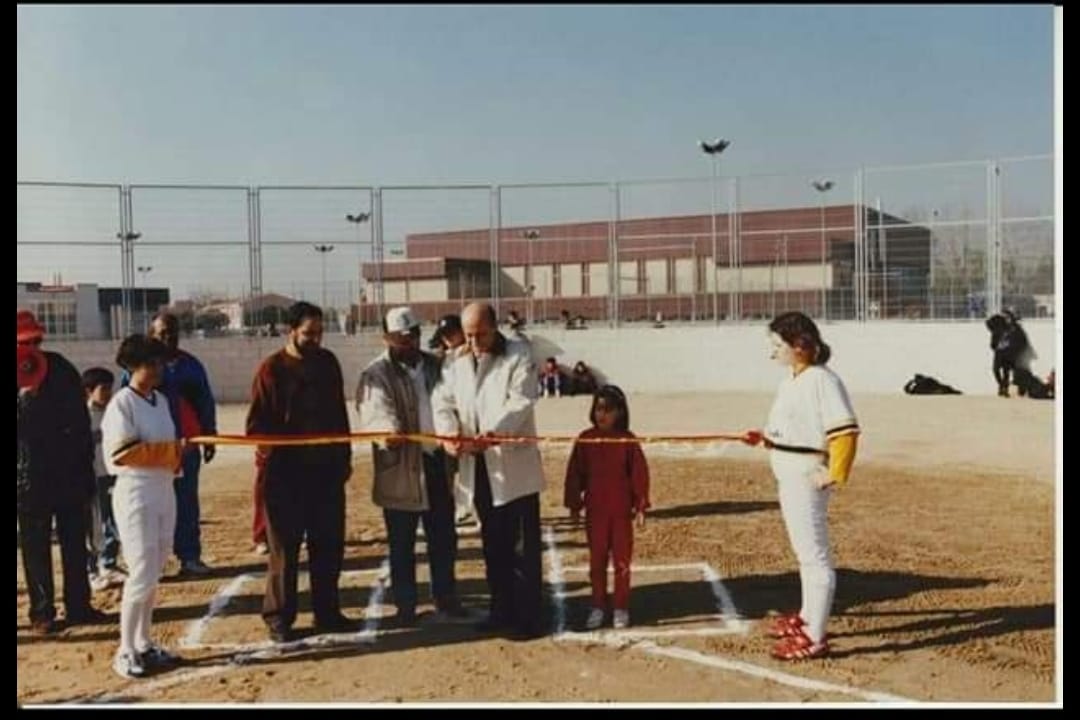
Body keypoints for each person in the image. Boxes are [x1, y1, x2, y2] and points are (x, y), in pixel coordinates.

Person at [742, 312, 860, 661]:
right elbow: (795, 428)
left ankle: (815, 635)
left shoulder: (822, 380)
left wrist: (834, 473)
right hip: (789, 470)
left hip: (805, 474)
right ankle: (808, 618)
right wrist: (766, 440)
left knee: (814, 555)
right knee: (804, 553)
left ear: (800, 346)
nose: (772, 353)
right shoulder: (793, 379)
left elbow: (846, 431)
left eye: (778, 345)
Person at [431, 302, 546, 640]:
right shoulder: (457, 362)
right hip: (478, 467)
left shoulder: (518, 356)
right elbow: (442, 402)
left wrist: (493, 433)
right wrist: (448, 433)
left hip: (514, 468)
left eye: (480, 333)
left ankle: (527, 617)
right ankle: (501, 610)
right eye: (468, 334)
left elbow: (522, 401)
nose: (474, 341)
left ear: (495, 328)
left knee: (522, 548)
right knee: (493, 544)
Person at [246, 302, 356, 642]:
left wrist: (344, 455)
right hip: (286, 476)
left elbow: (339, 413)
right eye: (309, 333)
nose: (316, 339)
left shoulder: (327, 363)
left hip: (326, 473)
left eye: (320, 333)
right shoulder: (271, 370)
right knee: (284, 551)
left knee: (328, 546)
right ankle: (279, 617)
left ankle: (328, 612)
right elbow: (256, 423)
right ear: (290, 330)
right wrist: (265, 445)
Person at [356, 307, 468, 625]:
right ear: (387, 339)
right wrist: (387, 431)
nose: (409, 344)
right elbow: (374, 409)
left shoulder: (437, 366)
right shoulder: (375, 374)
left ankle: (446, 598)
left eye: (413, 336)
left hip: (436, 464)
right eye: (401, 340)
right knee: (402, 543)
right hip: (400, 469)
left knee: (443, 537)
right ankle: (405, 607)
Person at [101, 334, 185, 678]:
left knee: (156, 566)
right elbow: (122, 453)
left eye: (160, 362)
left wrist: (176, 453)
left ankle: (144, 642)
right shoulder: (122, 403)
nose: (159, 368)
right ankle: (125, 648)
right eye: (152, 362)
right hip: (136, 492)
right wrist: (171, 451)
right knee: (141, 571)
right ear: (134, 366)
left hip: (164, 488)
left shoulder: (160, 401)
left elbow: (165, 445)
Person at [17, 310, 106, 635]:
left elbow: (81, 423)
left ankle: (79, 605)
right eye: (25, 342)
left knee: (73, 543)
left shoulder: (60, 368)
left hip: (67, 473)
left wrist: (85, 469)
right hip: (28, 479)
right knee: (35, 548)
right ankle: (42, 613)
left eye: (36, 341)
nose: (32, 348)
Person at [124, 313, 217, 577]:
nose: (168, 338)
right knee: (152, 507)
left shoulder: (191, 366)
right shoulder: (136, 371)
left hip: (186, 450)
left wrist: (209, 435)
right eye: (162, 333)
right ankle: (152, 562)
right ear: (152, 335)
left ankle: (189, 556)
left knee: (186, 502)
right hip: (151, 453)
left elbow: (205, 402)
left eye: (173, 332)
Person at [563, 385, 650, 630]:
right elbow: (575, 473)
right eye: (598, 409)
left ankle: (621, 606)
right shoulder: (586, 439)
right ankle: (598, 605)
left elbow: (639, 475)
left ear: (620, 412)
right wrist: (573, 504)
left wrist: (641, 505)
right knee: (597, 561)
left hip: (621, 512)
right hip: (596, 512)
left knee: (622, 562)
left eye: (608, 410)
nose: (602, 415)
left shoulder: (627, 440)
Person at [83, 366, 125, 591]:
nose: (108, 393)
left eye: (110, 388)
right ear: (89, 391)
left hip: (112, 474)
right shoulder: (82, 416)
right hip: (93, 476)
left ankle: (109, 563)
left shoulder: (114, 413)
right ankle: (92, 570)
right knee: (94, 525)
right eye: (103, 389)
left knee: (114, 521)